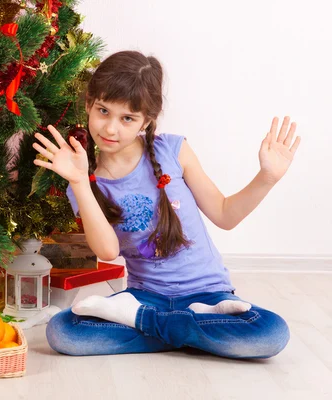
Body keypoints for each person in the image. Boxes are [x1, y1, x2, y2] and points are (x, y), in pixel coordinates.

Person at [32, 50, 301, 359]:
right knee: (63, 332)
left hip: (209, 295)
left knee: (271, 333)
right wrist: (79, 181)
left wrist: (267, 177)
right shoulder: (82, 175)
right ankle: (196, 327)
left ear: (147, 121)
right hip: (146, 296)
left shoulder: (173, 150)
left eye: (127, 118)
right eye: (103, 111)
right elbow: (107, 252)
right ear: (89, 104)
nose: (110, 129)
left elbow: (225, 215)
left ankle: (144, 323)